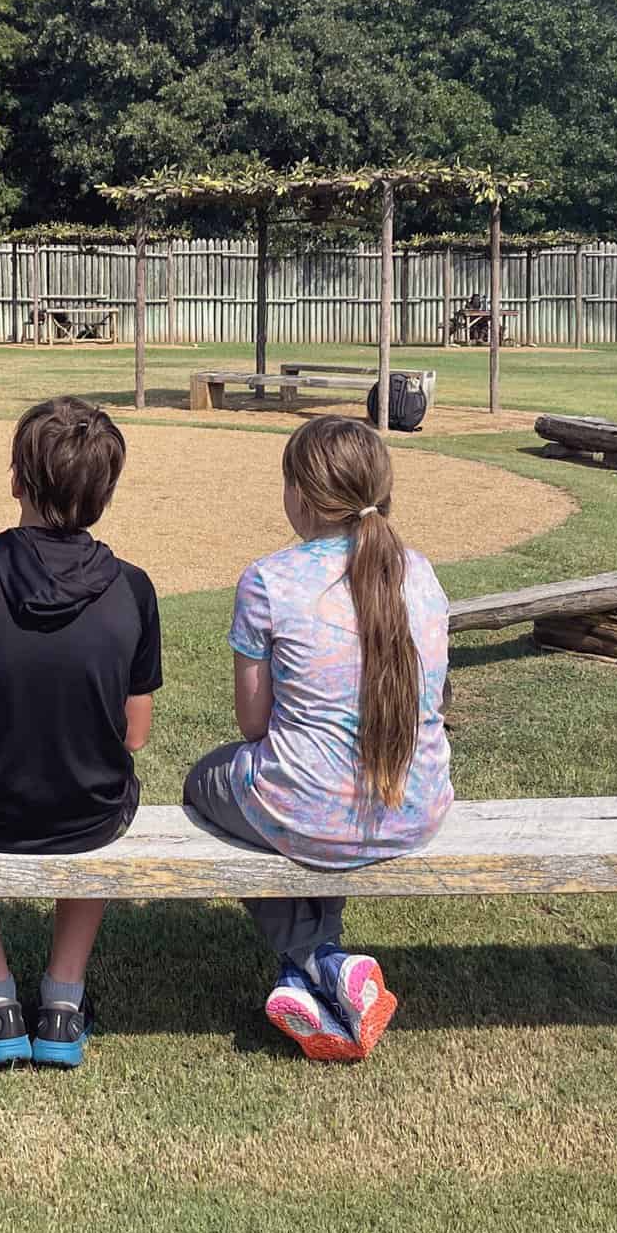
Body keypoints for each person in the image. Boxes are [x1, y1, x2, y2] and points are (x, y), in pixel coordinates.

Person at [182, 415, 452, 1063]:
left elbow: (253, 725)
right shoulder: (420, 573)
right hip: (416, 806)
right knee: (314, 788)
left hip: (310, 808)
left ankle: (312, 957)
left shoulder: (270, 580)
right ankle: (326, 966)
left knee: (204, 786)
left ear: (300, 496)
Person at [0, 397, 162, 1069]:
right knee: (107, 781)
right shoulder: (134, 589)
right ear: (106, 493)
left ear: (17, 479)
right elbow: (134, 736)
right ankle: (63, 997)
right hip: (92, 812)